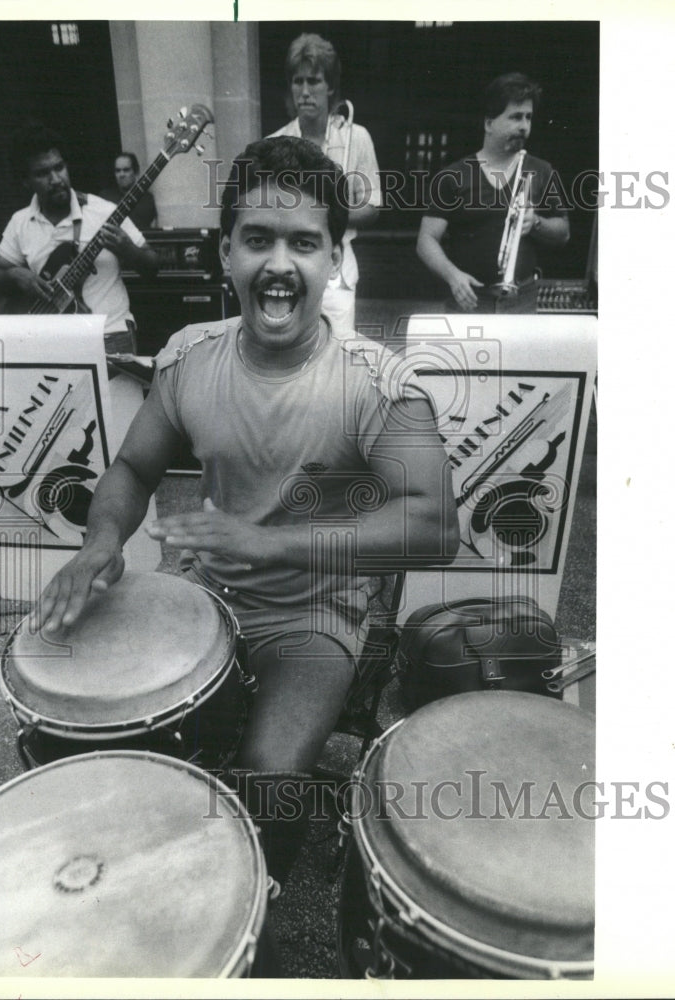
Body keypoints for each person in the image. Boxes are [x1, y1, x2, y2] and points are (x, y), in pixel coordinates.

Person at [33, 137, 458, 939]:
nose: (277, 263)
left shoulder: (378, 381)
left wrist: (278, 546)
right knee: (96, 734)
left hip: (310, 612)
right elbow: (130, 467)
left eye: (303, 242)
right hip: (197, 589)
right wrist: (100, 543)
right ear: (225, 250)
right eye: (257, 238)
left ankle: (238, 928)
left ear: (336, 256)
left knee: (269, 777)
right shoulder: (190, 356)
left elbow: (435, 523)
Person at [0, 123, 159, 354]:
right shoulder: (20, 222)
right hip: (54, 342)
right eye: (42, 173)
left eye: (59, 167)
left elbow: (153, 267)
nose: (56, 178)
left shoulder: (104, 211)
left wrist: (128, 249)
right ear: (25, 181)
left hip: (111, 335)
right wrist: (17, 275)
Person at [416, 72, 570, 313]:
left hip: (523, 301)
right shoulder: (454, 175)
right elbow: (426, 240)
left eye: (528, 118)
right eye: (515, 117)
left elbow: (563, 232)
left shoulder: (541, 170)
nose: (524, 126)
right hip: (469, 300)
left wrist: (536, 222)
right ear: (489, 123)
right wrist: (453, 276)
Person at [268, 33, 381, 332]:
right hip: (288, 265)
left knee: (337, 354)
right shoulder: (273, 144)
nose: (304, 91)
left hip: (337, 268)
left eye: (314, 81)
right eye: (297, 81)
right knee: (289, 353)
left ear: (330, 86)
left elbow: (372, 206)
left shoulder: (358, 137)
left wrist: (326, 213)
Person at [99, 151, 157, 230]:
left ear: (136, 172)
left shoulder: (147, 199)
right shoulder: (105, 197)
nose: (121, 174)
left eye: (126, 170)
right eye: (118, 171)